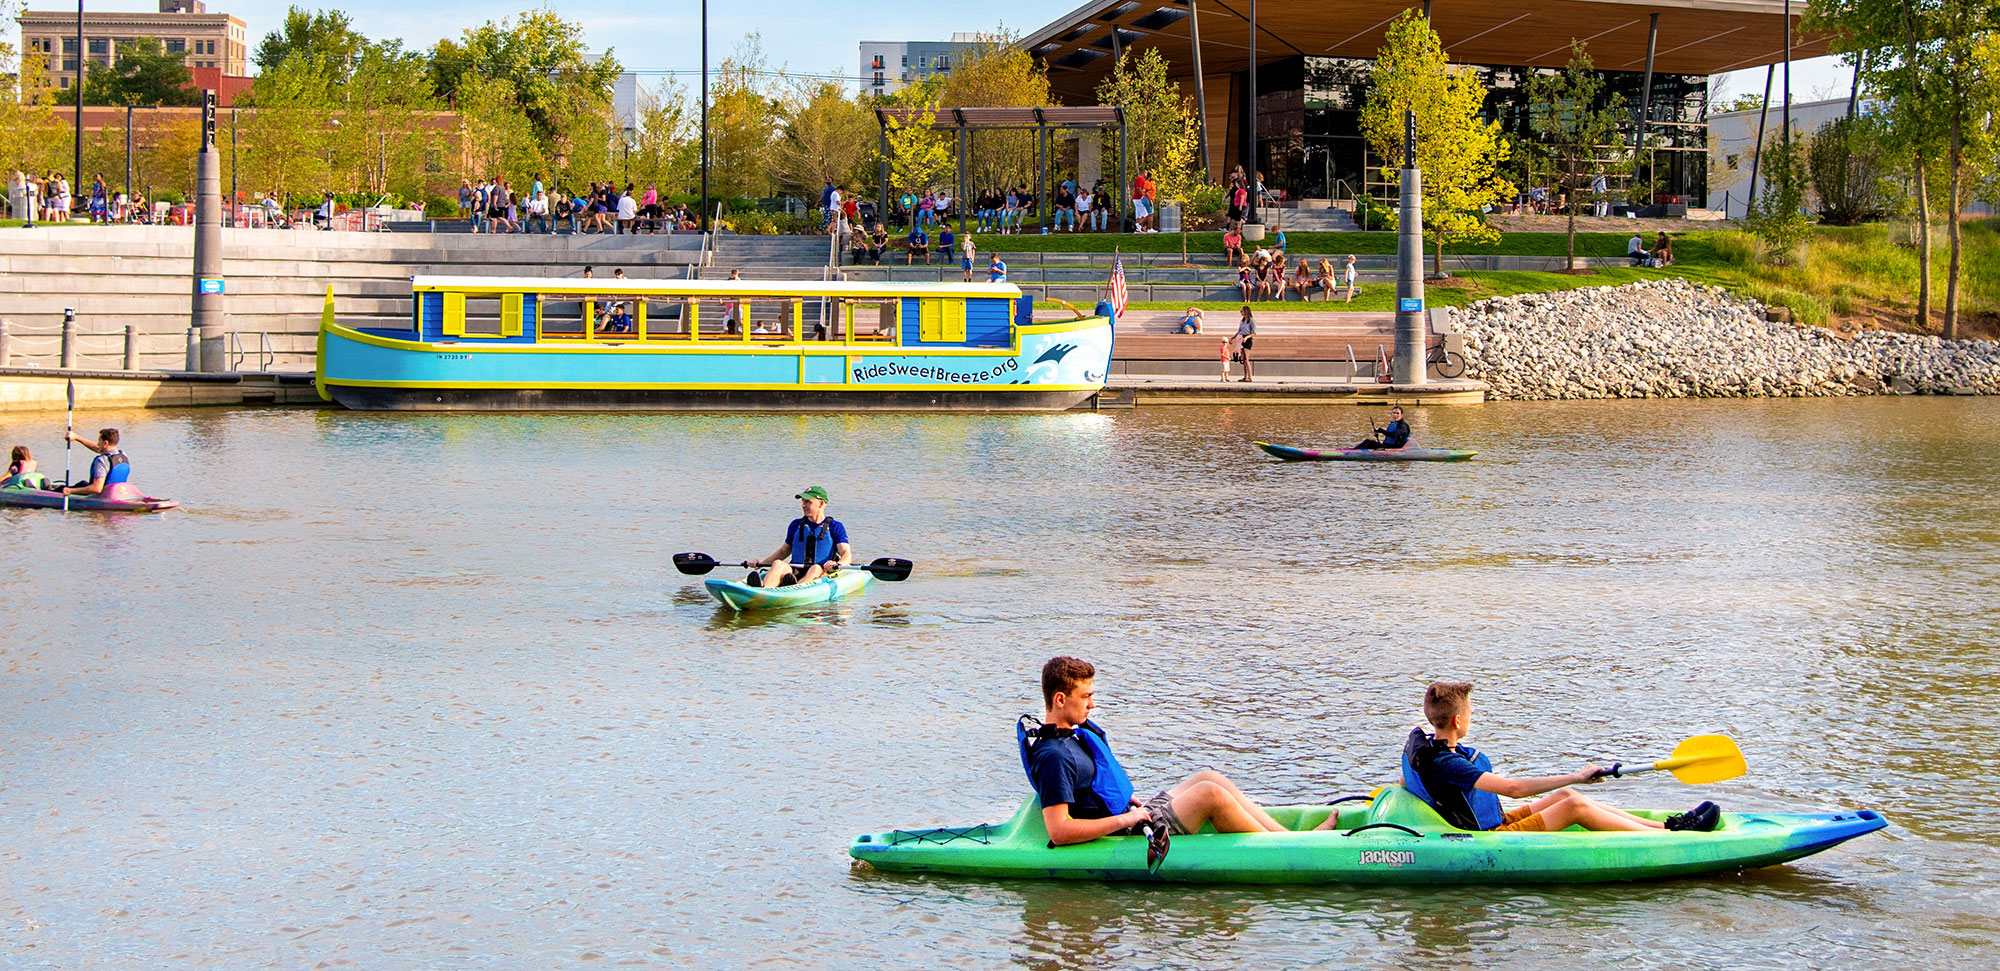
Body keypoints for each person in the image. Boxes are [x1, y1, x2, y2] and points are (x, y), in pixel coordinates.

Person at [1339, 680, 1722, 834]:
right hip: (1487, 837)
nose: (1472, 717)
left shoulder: (1423, 744)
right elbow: (1515, 788)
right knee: (1572, 802)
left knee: (1567, 800)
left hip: (1493, 819)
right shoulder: (1447, 764)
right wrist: (1576, 775)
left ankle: (1668, 827)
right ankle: (1672, 839)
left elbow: (1408, 782)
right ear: (1458, 720)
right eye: (1471, 713)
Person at [1023, 656, 1289, 852]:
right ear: (1060, 699)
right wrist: (1126, 818)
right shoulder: (1053, 756)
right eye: (1085, 697)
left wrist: (1127, 800)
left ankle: (1289, 837)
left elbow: (1094, 780)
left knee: (1210, 777)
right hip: (1129, 830)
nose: (1092, 704)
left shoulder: (1073, 734)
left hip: (1133, 814)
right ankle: (1285, 850)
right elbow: (1059, 832)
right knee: (1211, 794)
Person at [743, 486, 850, 588]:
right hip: (796, 571)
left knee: (815, 568)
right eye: (803, 501)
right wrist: (760, 564)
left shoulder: (835, 527)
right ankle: (764, 589)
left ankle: (794, 589)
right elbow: (783, 551)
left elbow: (846, 554)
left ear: (821, 504)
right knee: (778, 564)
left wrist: (837, 564)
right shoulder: (795, 525)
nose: (803, 505)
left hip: (822, 573)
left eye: (808, 502)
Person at [53, 428, 133, 499]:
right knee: (82, 483)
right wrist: (77, 438)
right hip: (118, 494)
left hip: (100, 497)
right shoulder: (123, 455)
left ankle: (48, 489)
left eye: (99, 441)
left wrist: (70, 491)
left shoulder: (102, 461)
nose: (98, 444)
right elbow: (99, 449)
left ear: (105, 443)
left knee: (63, 489)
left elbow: (96, 489)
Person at [1233, 306, 1255, 382]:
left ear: (1245, 311)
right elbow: (1239, 331)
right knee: (1243, 359)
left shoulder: (1251, 321)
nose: (1240, 312)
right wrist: (1232, 338)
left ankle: (1250, 376)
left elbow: (1254, 333)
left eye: (1241, 311)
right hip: (1241, 338)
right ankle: (1245, 376)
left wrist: (1246, 337)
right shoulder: (1242, 321)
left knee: (1246, 358)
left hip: (1247, 339)